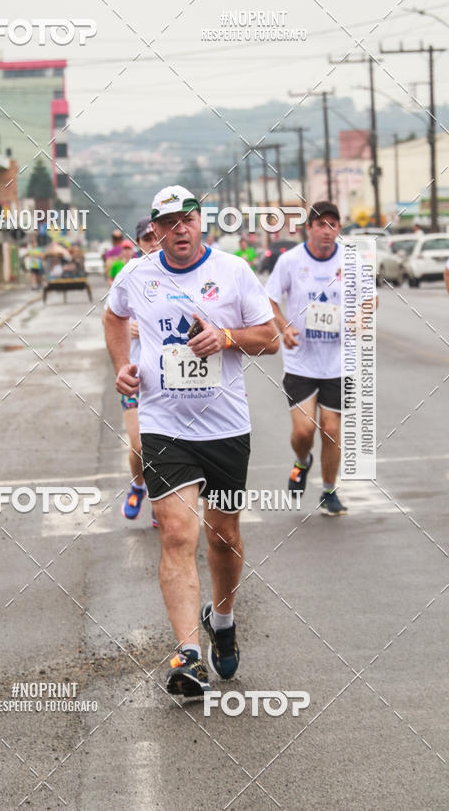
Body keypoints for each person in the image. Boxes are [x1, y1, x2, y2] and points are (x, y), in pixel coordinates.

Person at [104, 186, 278, 697]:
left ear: (201, 223)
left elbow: (267, 336)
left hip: (225, 427)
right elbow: (114, 316)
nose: (180, 229)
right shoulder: (136, 275)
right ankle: (188, 653)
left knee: (223, 538)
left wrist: (225, 337)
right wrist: (122, 366)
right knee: (178, 532)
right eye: (169, 222)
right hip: (164, 426)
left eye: (189, 219)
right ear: (154, 231)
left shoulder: (233, 272)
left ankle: (221, 620)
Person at [266, 201, 376, 517]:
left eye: (333, 225)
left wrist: (360, 316)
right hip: (300, 358)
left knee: (330, 429)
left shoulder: (351, 261)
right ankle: (302, 461)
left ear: (339, 229)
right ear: (309, 228)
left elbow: (371, 297)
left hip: (339, 361)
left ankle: (329, 491)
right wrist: (284, 327)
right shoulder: (290, 261)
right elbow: (270, 298)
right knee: (303, 432)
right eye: (321, 225)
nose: (327, 231)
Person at [110, 217, 160, 524]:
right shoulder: (130, 275)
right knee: (141, 446)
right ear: (139, 244)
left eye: (157, 237)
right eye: (147, 239)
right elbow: (112, 319)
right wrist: (128, 327)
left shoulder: (183, 274)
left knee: (169, 449)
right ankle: (138, 484)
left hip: (171, 378)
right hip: (137, 377)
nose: (153, 244)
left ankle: (163, 503)